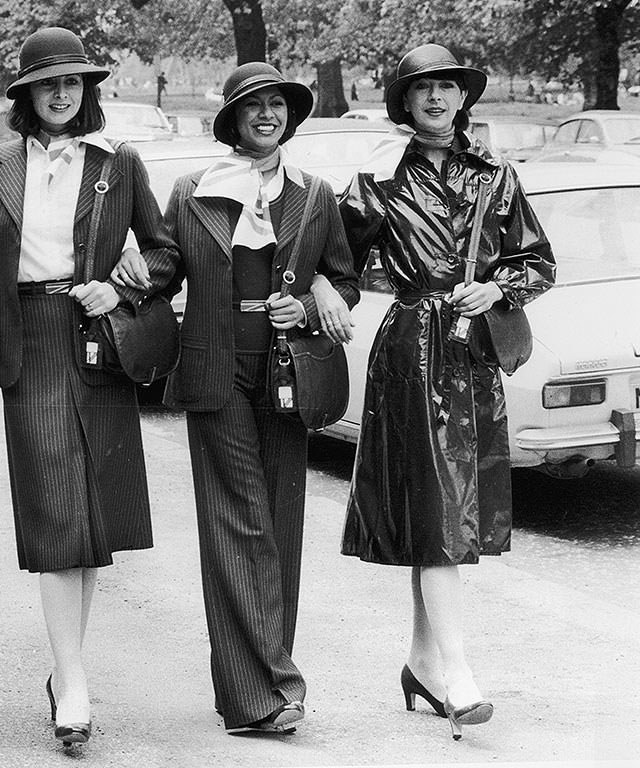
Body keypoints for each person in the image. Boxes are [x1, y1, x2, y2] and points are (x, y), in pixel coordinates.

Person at [0, 27, 178, 747]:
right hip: (28, 339)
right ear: (25, 95)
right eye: (47, 84)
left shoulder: (120, 160)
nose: (60, 94)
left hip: (99, 339)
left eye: (72, 82)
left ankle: (66, 671)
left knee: (91, 517)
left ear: (86, 90)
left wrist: (122, 287)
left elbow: (166, 253)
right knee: (54, 511)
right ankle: (72, 678)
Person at [337, 44, 555, 739]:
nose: (436, 98)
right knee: (435, 508)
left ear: (463, 99)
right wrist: (322, 294)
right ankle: (455, 676)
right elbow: (333, 259)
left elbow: (538, 261)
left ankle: (423, 663)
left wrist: (499, 287)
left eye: (447, 87)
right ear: (404, 101)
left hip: (472, 352)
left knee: (446, 511)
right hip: (410, 352)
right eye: (422, 88)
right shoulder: (377, 178)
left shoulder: (497, 175)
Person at [140, 62, 360, 734]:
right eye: (252, 106)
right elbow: (162, 268)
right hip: (215, 366)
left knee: (281, 524)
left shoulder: (314, 194)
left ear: (289, 118)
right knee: (238, 520)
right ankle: (262, 693)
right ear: (232, 119)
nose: (267, 115)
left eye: (277, 105)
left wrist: (313, 299)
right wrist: (121, 273)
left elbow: (345, 279)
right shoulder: (192, 191)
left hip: (288, 372)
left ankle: (259, 687)